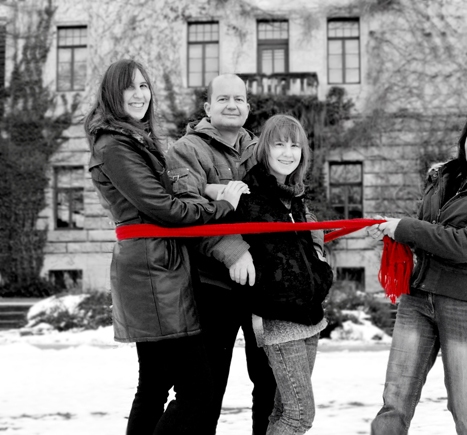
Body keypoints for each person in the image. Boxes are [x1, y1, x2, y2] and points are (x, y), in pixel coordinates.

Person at [85, 59, 248, 435]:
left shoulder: (131, 139)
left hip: (156, 264)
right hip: (152, 270)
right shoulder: (115, 145)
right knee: (198, 392)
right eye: (129, 87)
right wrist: (222, 206)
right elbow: (165, 208)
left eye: (144, 86)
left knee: (155, 385)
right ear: (112, 94)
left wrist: (206, 189)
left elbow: (163, 193)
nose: (140, 94)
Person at [368, 106, 467, 435]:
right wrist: (391, 231)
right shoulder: (441, 177)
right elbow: (427, 231)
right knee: (394, 402)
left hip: (466, 305)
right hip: (417, 297)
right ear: (464, 138)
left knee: (465, 408)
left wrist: (406, 228)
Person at [166, 73, 276, 435]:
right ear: (207, 107)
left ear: (248, 107)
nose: (232, 105)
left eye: (239, 99)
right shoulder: (187, 150)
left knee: (269, 383)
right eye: (223, 99)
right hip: (212, 286)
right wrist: (232, 249)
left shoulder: (262, 150)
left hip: (263, 286)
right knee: (206, 390)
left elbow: (287, 202)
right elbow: (188, 214)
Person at [234, 114, 333, 435]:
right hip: (278, 318)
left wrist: (320, 264)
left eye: (295, 146)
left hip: (310, 314)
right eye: (279, 144)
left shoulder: (293, 193)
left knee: (281, 410)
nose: (288, 153)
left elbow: (304, 243)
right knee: (299, 415)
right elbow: (230, 236)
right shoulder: (250, 193)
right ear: (265, 148)